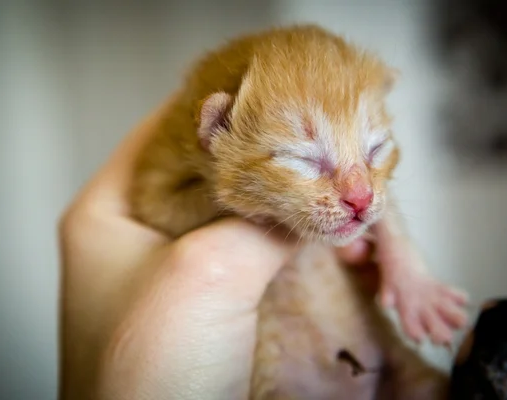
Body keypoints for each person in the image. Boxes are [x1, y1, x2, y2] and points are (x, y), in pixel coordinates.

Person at [57, 102, 377, 400]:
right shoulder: (191, 170)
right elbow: (160, 203)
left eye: (373, 151)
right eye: (303, 158)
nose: (360, 195)